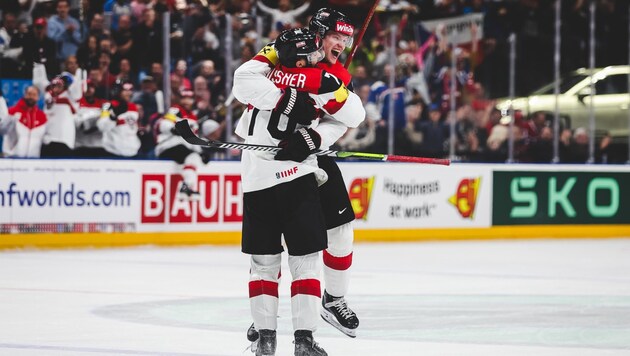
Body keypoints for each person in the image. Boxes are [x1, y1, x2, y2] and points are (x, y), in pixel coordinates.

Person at [234, 26, 364, 355]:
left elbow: (346, 118)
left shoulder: (329, 75)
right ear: (318, 36)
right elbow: (245, 80)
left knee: (340, 231)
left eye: (345, 39)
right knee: (292, 254)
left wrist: (315, 138)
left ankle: (332, 301)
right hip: (281, 163)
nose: (341, 44)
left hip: (307, 155)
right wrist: (292, 96)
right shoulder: (287, 54)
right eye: (336, 36)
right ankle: (274, 321)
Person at [154, 89, 203, 200]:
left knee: (194, 158)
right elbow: (163, 123)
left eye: (189, 98)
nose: (186, 101)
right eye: (183, 98)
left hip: (181, 148)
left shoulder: (193, 118)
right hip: (167, 146)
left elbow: (193, 139)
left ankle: (187, 187)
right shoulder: (176, 110)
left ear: (193, 100)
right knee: (192, 156)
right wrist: (172, 128)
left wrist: (201, 152)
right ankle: (186, 187)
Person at [97, 80, 141, 158]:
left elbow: (132, 127)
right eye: (125, 90)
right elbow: (102, 127)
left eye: (130, 90)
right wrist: (113, 116)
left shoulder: (133, 107)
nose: (129, 93)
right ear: (117, 91)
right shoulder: (106, 105)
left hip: (132, 152)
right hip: (113, 152)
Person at [0, 86, 47, 158]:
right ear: (24, 95)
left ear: (38, 97)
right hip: (12, 158)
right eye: (29, 94)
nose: (31, 97)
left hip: (34, 159)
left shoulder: (42, 117)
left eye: (34, 95)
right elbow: (2, 130)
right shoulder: (12, 112)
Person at [75, 79, 107, 157]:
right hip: (80, 145)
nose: (89, 89)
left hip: (98, 145)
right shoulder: (76, 104)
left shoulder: (104, 104)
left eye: (91, 87)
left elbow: (106, 122)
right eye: (86, 87)